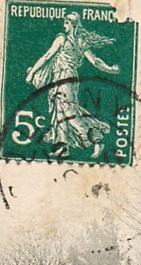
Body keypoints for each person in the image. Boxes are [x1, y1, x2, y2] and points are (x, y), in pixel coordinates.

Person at [25, 12, 120, 158]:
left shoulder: (62, 39)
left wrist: (32, 73)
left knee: (67, 111)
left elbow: (47, 56)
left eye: (67, 21)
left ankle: (96, 137)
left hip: (65, 77)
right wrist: (109, 69)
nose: (64, 23)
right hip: (67, 78)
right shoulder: (80, 40)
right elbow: (95, 61)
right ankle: (63, 147)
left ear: (73, 24)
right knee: (60, 111)